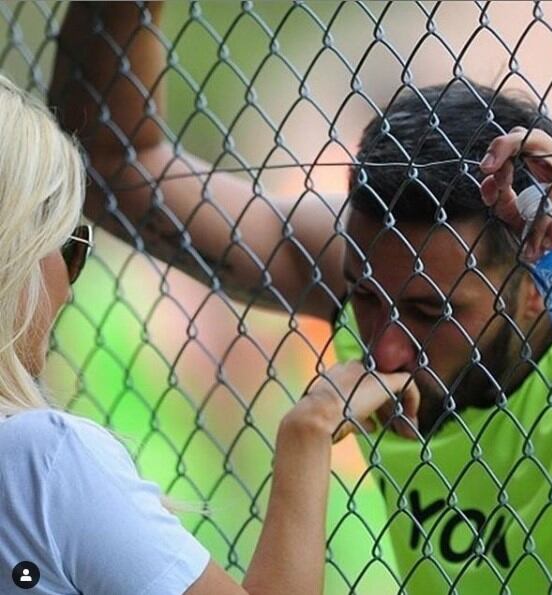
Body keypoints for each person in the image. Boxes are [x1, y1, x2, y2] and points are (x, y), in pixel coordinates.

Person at [50, 2, 552, 593]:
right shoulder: (380, 265)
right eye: (363, 297)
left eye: (432, 311)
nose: (386, 350)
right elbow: (114, 168)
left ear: (538, 283)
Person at [0, 71, 419, 595]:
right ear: (14, 252)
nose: (70, 287)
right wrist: (309, 429)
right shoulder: (41, 461)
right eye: (70, 245)